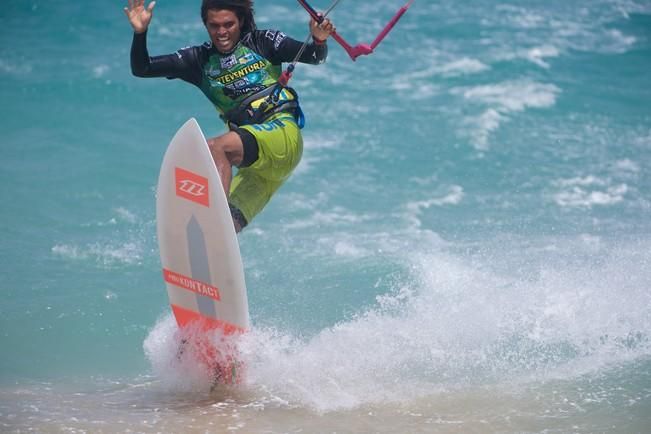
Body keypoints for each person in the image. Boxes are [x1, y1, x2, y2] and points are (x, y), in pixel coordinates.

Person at [124, 0, 334, 232]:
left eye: (228, 24)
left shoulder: (262, 42)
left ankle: (214, 222)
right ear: (206, 25)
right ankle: (212, 252)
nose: (221, 32)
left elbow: (315, 56)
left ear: (241, 21)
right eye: (214, 26)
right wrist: (140, 32)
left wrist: (319, 38)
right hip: (257, 167)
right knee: (227, 227)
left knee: (213, 149)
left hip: (282, 133)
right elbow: (142, 68)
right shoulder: (198, 60)